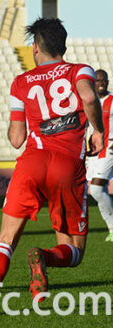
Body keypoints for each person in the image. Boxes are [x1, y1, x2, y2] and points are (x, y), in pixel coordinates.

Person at [0, 18, 104, 316]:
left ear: (35, 48)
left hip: (31, 163)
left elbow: (16, 138)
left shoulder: (21, 82)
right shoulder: (80, 70)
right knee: (74, 252)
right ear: (63, 44)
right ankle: (44, 258)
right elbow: (88, 96)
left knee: (5, 239)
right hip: (67, 166)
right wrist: (97, 131)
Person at [87, 69, 113, 241]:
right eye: (98, 80)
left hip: (110, 148)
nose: (102, 83)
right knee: (94, 190)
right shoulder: (87, 101)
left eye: (104, 80)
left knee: (96, 188)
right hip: (92, 152)